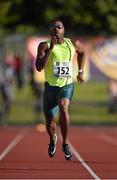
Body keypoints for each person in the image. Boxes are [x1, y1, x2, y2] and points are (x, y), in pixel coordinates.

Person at [35, 19, 86, 160]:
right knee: (50, 124)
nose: (57, 29)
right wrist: (50, 50)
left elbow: (82, 52)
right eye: (53, 27)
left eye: (59, 27)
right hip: (50, 87)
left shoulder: (72, 44)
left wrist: (80, 72)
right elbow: (39, 67)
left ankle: (65, 143)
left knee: (64, 107)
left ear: (64, 29)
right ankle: (52, 140)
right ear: (49, 30)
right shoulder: (44, 46)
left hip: (66, 85)